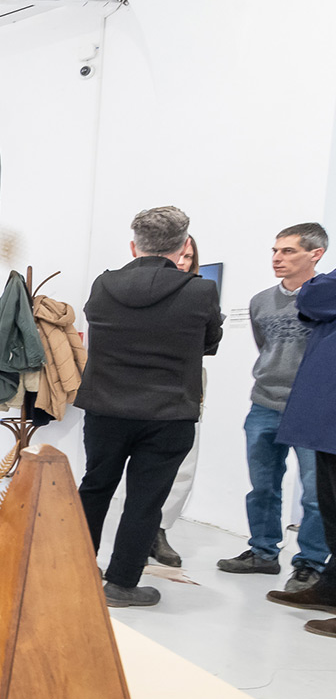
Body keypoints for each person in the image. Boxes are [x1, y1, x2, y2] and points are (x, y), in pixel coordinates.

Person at [74, 206, 223, 608]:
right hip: (167, 413)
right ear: (183, 245)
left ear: (133, 246)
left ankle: (76, 568)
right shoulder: (201, 291)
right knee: (145, 500)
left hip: (106, 409)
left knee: (95, 487)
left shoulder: (104, 285)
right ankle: (122, 584)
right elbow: (210, 343)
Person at [218, 223, 329, 590]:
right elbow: (264, 345)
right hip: (264, 403)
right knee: (262, 485)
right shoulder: (261, 301)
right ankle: (263, 552)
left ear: (315, 254)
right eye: (275, 251)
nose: (277, 258)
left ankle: (310, 563)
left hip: (311, 408)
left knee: (315, 494)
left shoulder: (326, 299)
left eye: (288, 251)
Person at [269, 261, 336, 637]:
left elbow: (313, 294)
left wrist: (316, 291)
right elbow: (310, 301)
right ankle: (330, 589)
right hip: (327, 417)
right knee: (330, 508)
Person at [151, 235, 202, 566]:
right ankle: (140, 529)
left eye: (189, 256)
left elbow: (210, 339)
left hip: (187, 383)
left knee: (183, 465)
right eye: (179, 255)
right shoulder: (143, 290)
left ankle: (160, 530)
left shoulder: (200, 292)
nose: (182, 261)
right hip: (145, 384)